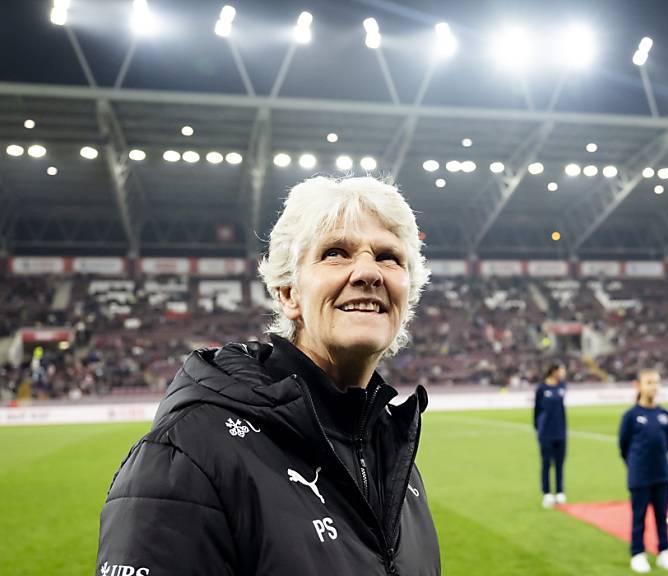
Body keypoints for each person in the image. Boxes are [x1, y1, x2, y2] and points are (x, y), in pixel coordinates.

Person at [96, 176, 440, 575]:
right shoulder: (189, 452)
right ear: (288, 293)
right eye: (335, 253)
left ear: (408, 291)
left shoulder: (394, 456)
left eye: (388, 257)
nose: (368, 272)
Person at [619, 370, 668, 573]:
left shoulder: (665, 415)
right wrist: (635, 465)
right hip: (639, 475)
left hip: (661, 473)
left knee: (662, 516)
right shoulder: (631, 416)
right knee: (639, 516)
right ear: (639, 385)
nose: (653, 386)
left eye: (656, 382)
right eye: (649, 382)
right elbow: (623, 445)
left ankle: (664, 551)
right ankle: (638, 553)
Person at [534, 363, 568, 508]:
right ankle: (547, 492)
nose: (563, 373)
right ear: (553, 371)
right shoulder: (541, 388)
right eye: (561, 370)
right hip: (546, 432)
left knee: (560, 463)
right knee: (546, 463)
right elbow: (536, 410)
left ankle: (560, 491)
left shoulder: (562, 387)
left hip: (560, 431)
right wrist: (538, 427)